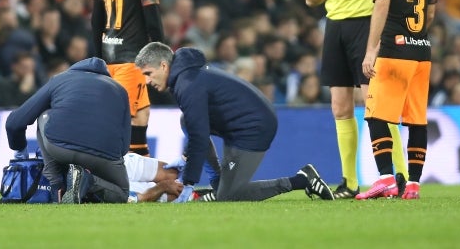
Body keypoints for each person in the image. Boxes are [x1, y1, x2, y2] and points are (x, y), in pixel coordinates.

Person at [135, 42, 335, 202]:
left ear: (163, 65)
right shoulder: (186, 76)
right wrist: (188, 157)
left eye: (148, 74)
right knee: (186, 120)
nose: (146, 82)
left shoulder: (187, 84)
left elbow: (199, 135)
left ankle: (301, 180)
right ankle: (218, 182)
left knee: (229, 196)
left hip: (253, 127)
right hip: (239, 124)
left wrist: (188, 182)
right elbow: (197, 126)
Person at [304, 0, 407, 198]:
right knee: (340, 107)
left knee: (376, 105)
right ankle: (349, 182)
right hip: (335, 28)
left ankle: (398, 175)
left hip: (365, 27)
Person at [356, 0, 437, 200]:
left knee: (375, 113)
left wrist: (371, 49)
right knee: (416, 119)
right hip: (422, 52)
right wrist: (417, 35)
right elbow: (431, 11)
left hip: (394, 51)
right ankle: (413, 184)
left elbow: (381, 5)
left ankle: (386, 179)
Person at [5, 57, 134, 204]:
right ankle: (88, 181)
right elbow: (124, 147)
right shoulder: (120, 90)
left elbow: (15, 122)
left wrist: (20, 151)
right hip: (105, 157)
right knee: (122, 194)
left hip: (58, 148)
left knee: (44, 115)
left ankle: (57, 187)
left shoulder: (59, 79)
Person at [92, 0, 163, 157]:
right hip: (132, 59)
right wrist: (161, 55)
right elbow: (152, 16)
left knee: (142, 113)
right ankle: (116, 178)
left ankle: (142, 170)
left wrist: (97, 57)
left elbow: (96, 19)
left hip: (108, 56)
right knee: (122, 120)